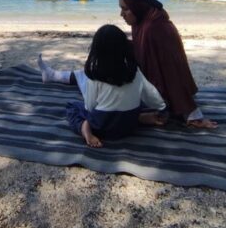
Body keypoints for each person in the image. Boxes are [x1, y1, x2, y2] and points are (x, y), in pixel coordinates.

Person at [38, 24, 167, 148]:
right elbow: (151, 93)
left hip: (102, 129)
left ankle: (85, 131)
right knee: (136, 104)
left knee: (72, 108)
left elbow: (90, 106)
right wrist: (161, 108)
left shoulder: (95, 76)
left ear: (97, 50)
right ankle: (140, 118)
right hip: (129, 126)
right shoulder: (134, 71)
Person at [118, 0, 217, 129]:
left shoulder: (156, 29)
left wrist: (193, 114)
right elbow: (141, 51)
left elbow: (173, 71)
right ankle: (70, 77)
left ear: (137, 6)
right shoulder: (142, 19)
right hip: (150, 84)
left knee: (110, 111)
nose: (121, 14)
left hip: (162, 96)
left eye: (125, 9)